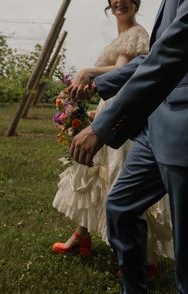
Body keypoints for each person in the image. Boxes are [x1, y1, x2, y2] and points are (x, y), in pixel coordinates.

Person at [69, 0, 188, 292]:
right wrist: (101, 83)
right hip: (156, 125)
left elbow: (169, 55)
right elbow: (152, 56)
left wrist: (101, 127)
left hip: (182, 127)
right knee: (121, 206)